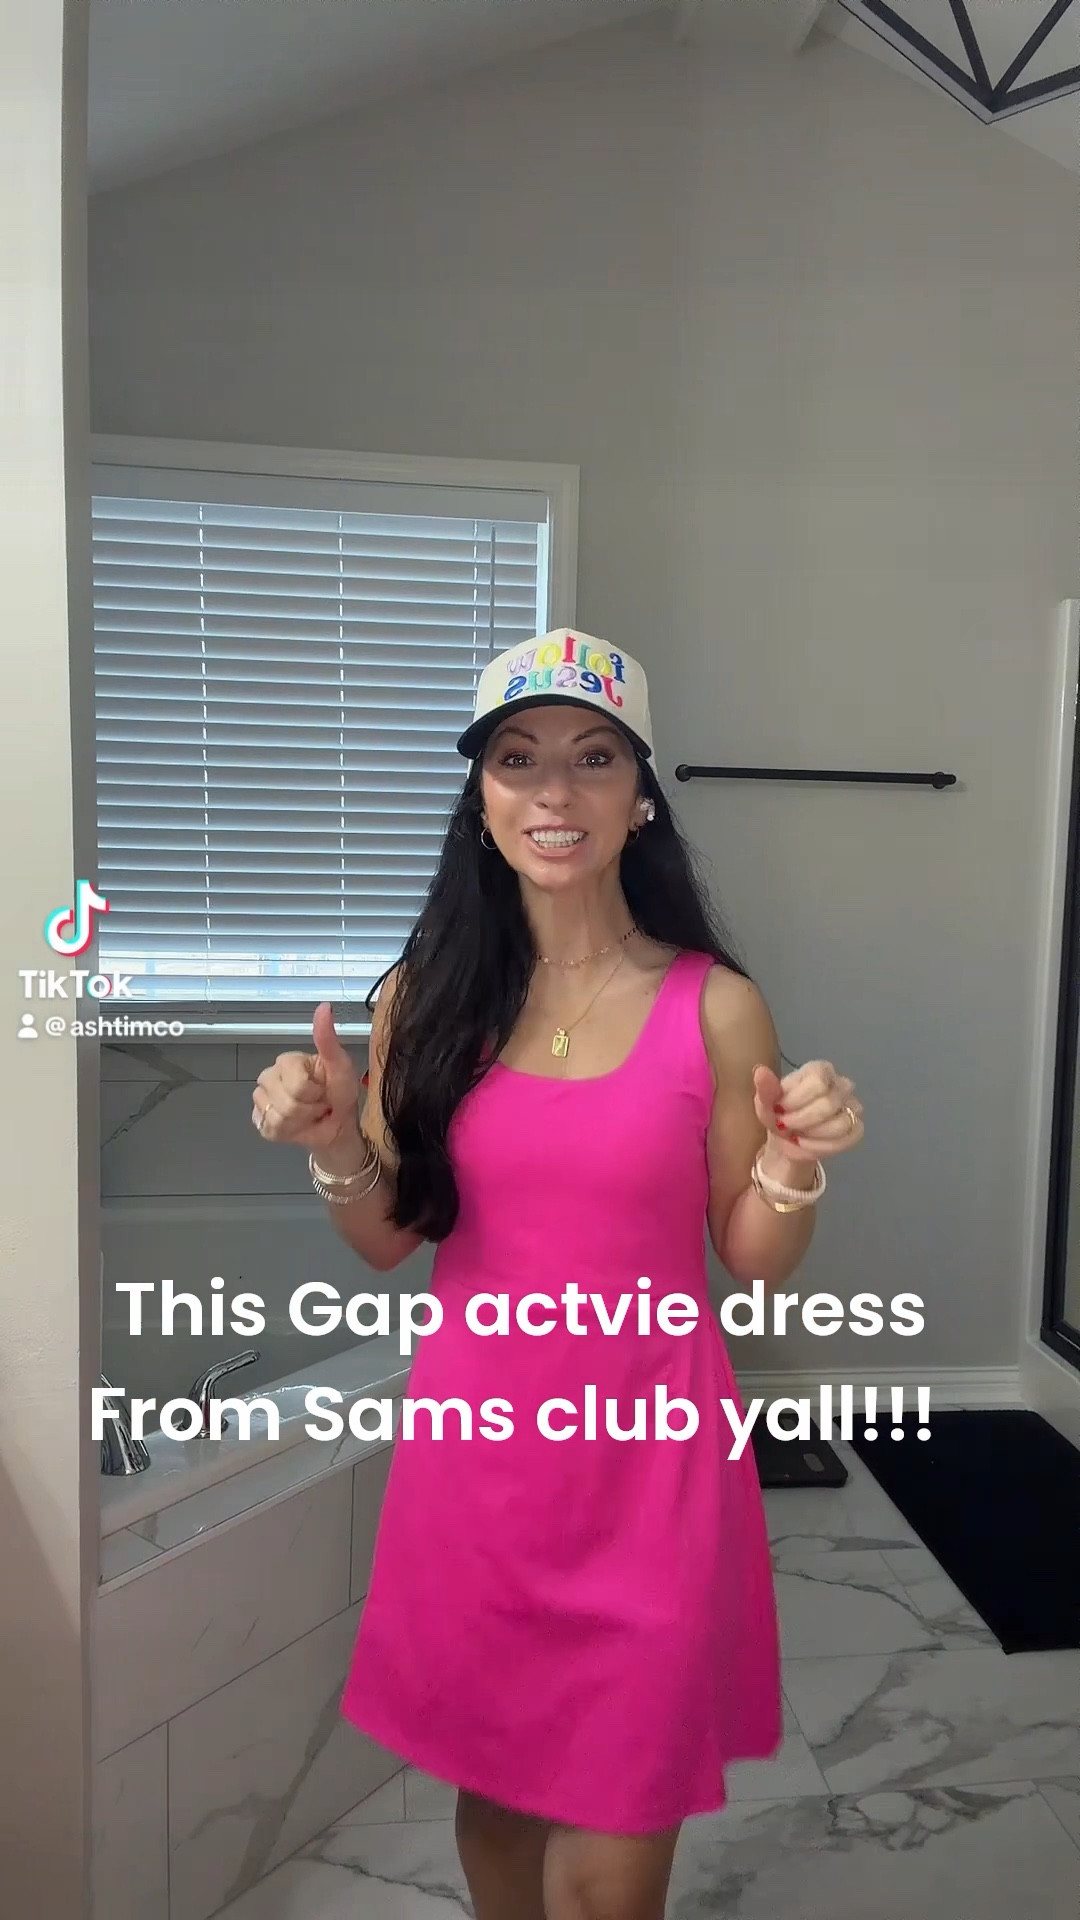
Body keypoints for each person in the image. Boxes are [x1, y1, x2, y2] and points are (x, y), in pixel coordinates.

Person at [250, 629, 865, 1920]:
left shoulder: (717, 1005)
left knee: (613, 1864)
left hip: (651, 1475)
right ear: (481, 799)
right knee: (500, 1804)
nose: (554, 791)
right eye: (517, 759)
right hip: (479, 1476)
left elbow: (754, 1257)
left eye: (593, 758)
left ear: (640, 795)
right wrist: (333, 1143)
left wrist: (794, 1161)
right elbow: (392, 1236)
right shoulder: (423, 999)